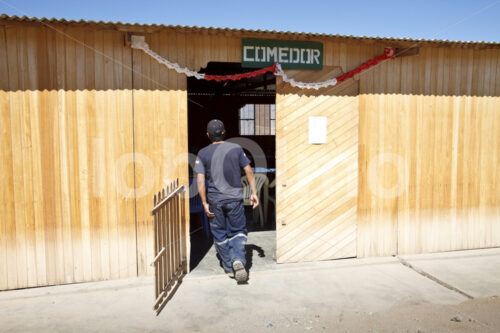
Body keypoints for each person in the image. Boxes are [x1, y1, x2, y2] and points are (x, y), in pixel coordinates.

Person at [194, 119, 259, 283]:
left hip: (215, 200)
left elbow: (200, 181)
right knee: (237, 230)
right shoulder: (236, 148)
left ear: (208, 135)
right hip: (234, 198)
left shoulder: (202, 153)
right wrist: (254, 192)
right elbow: (249, 171)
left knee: (220, 234)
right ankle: (238, 259)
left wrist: (203, 202)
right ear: (224, 132)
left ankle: (230, 267)